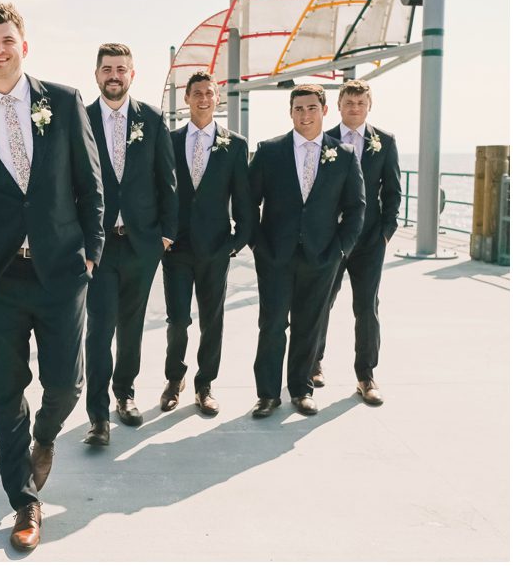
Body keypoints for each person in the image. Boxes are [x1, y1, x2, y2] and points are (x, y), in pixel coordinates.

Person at [0, 3, 103, 552]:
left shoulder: (65, 101)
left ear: (23, 47)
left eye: (7, 40)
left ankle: (46, 435)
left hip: (61, 270)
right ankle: (25, 501)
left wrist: (92, 249)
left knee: (66, 383)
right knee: (5, 393)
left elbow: (90, 184)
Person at [248, 84, 364, 417]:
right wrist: (258, 244)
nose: (305, 114)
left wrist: (340, 249)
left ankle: (301, 389)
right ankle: (267, 394)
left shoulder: (343, 155)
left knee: (308, 324)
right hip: (275, 256)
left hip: (322, 256)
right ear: (290, 112)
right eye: (298, 108)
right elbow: (247, 201)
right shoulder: (269, 151)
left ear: (325, 111)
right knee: (271, 325)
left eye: (312, 108)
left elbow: (356, 208)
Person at [82, 43, 177, 446]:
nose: (114, 75)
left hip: (141, 244)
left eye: (121, 68)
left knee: (132, 327)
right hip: (97, 247)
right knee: (99, 330)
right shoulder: (79, 119)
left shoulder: (152, 119)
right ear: (97, 74)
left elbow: (166, 179)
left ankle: (125, 394)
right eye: (107, 68)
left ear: (132, 74)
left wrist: (165, 236)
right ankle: (98, 417)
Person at [161, 71, 253, 416]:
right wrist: (162, 237)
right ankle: (174, 378)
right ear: (186, 99)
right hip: (177, 248)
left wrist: (237, 241)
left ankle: (205, 384)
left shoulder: (236, 144)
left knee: (212, 320)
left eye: (208, 93)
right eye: (196, 93)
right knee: (177, 320)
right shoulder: (168, 141)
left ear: (217, 99)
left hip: (216, 247)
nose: (202, 98)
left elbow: (243, 198)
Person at [313, 79, 401, 405]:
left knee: (367, 307)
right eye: (349, 103)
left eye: (360, 103)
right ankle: (313, 362)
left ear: (369, 105)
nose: (354, 108)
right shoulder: (324, 140)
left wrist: (386, 232)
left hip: (369, 242)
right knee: (321, 302)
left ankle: (366, 375)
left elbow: (392, 192)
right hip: (332, 239)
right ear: (338, 106)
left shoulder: (385, 142)